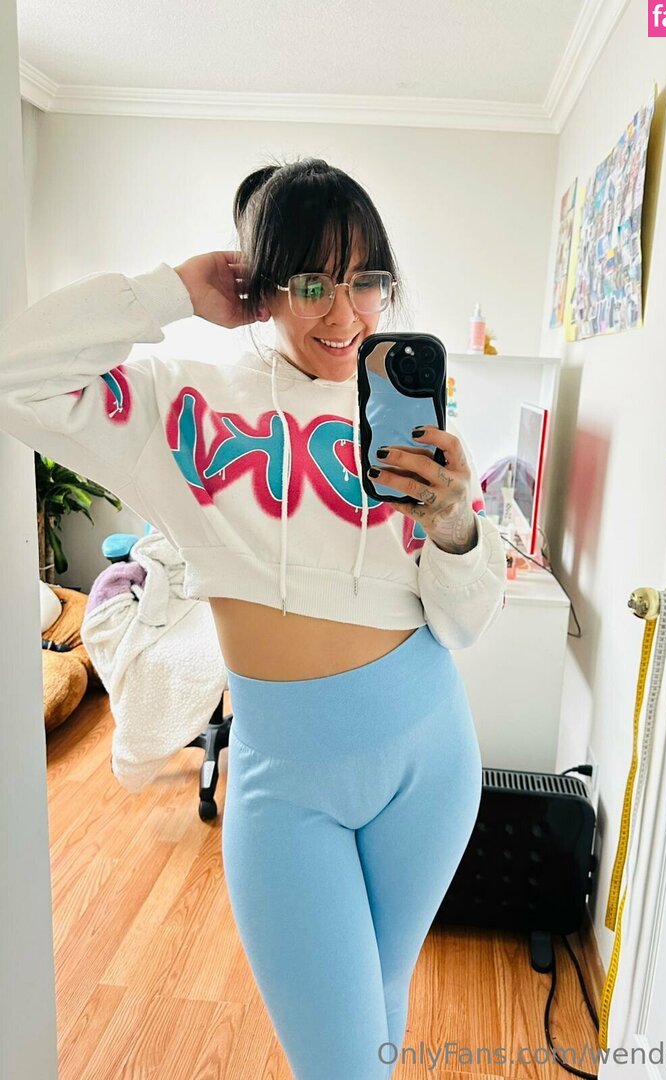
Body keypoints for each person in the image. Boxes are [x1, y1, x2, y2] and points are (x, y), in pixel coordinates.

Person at [0, 157, 507, 1078]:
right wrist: (171, 291)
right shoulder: (181, 400)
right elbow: (11, 375)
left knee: (380, 1009)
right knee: (342, 1060)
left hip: (430, 761)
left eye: (365, 281)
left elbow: (465, 624)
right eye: (311, 283)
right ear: (261, 287)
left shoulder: (408, 421)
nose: (345, 314)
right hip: (286, 784)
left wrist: (455, 525)